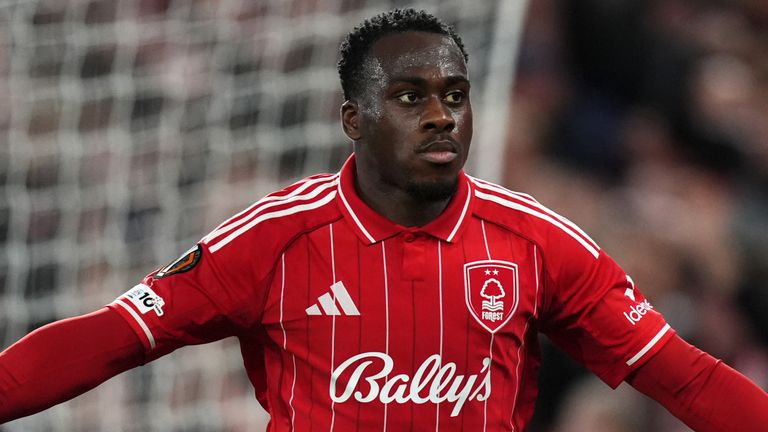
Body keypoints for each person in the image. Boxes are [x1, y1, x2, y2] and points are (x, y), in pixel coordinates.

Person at [1, 8, 767, 431]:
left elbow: (687, 381)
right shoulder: (274, 240)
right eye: (410, 98)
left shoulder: (538, 241)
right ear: (353, 119)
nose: (440, 116)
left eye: (455, 96)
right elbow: (110, 338)